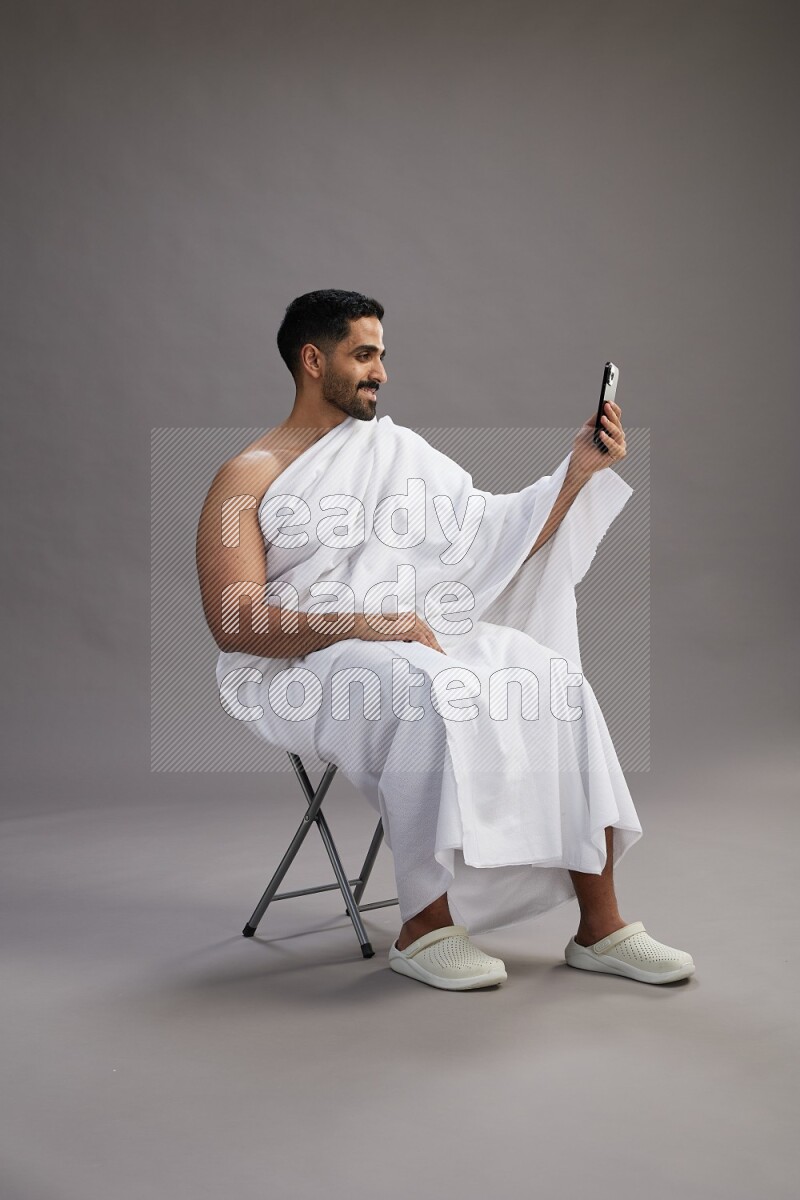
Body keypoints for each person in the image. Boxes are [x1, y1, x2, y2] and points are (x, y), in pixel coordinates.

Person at [196, 289, 695, 992]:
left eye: (382, 356)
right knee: (419, 690)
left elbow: (495, 536)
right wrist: (364, 623)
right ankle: (425, 927)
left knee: (547, 676)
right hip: (301, 662)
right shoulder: (243, 480)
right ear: (313, 360)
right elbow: (235, 621)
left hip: (410, 634)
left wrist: (578, 469)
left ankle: (600, 926)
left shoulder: (394, 452)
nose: (381, 372)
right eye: (364, 355)